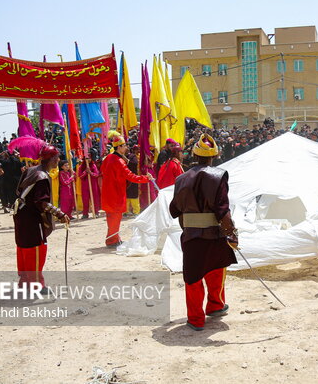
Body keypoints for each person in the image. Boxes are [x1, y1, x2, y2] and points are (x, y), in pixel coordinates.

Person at [169, 133, 238, 331]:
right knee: (216, 270)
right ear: (214, 156)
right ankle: (215, 306)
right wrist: (232, 233)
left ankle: (195, 318)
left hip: (191, 235)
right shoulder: (218, 176)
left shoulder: (181, 179)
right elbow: (222, 209)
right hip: (214, 234)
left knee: (193, 277)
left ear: (194, 155)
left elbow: (174, 210)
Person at [10, 137, 69, 291]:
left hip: (21, 214)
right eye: (57, 158)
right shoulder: (42, 176)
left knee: (23, 247)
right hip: (32, 217)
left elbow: (18, 191)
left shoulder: (30, 170)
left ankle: (24, 282)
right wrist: (60, 213)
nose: (58, 160)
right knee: (35, 250)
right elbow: (41, 202)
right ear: (53, 159)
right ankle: (36, 284)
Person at [101, 131, 153, 248]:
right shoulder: (119, 161)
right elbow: (131, 176)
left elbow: (103, 171)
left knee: (112, 218)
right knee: (115, 218)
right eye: (124, 145)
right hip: (116, 193)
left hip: (108, 192)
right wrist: (145, 178)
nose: (126, 147)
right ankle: (112, 241)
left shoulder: (108, 158)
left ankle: (114, 238)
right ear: (119, 147)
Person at [125, 146, 140, 216]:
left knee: (134, 195)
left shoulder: (132, 156)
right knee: (126, 195)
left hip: (133, 178)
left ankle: (136, 211)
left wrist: (126, 160)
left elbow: (134, 164)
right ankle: (126, 211)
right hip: (125, 179)